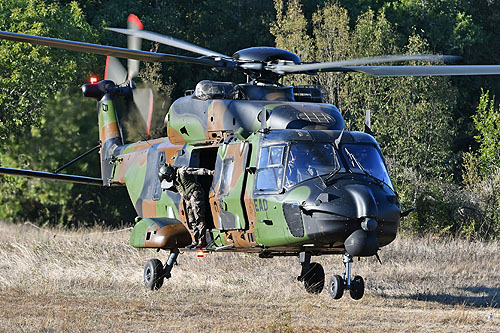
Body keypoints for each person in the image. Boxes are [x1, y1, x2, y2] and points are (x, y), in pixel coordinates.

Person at [159, 164, 214, 249]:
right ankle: (195, 241)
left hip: (195, 194)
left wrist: (211, 172)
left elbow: (197, 171)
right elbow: (178, 189)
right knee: (192, 221)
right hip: (187, 198)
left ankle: (202, 241)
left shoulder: (182, 171)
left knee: (199, 218)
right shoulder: (174, 180)